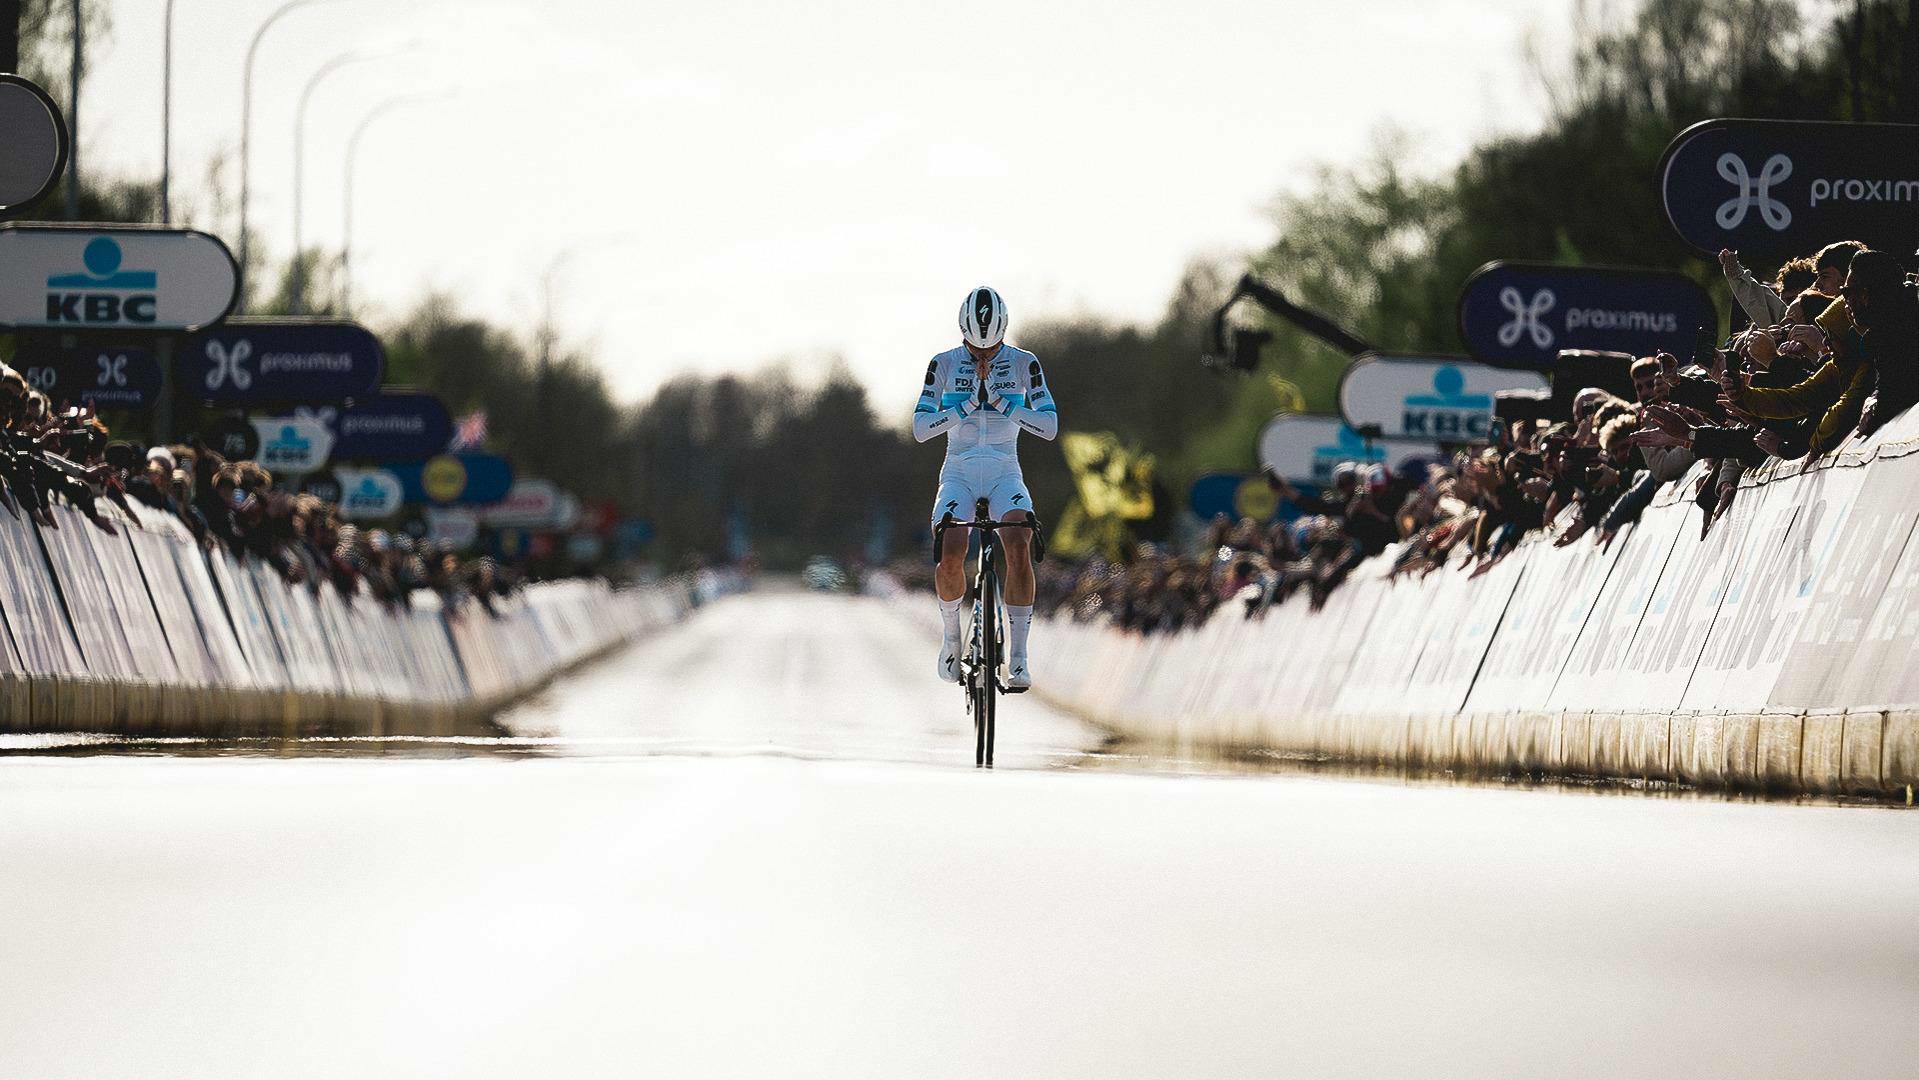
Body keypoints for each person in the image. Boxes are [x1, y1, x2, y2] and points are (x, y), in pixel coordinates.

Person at [913, 286, 1059, 689]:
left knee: (1018, 541)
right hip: (958, 472)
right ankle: (951, 640)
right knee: (950, 552)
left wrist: (1003, 403)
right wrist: (962, 406)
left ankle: (1018, 658)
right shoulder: (942, 364)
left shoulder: (1024, 363)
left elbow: (1049, 428)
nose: (983, 358)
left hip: (1004, 471)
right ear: (962, 335)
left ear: (1003, 334)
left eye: (991, 349)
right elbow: (921, 429)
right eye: (976, 351)